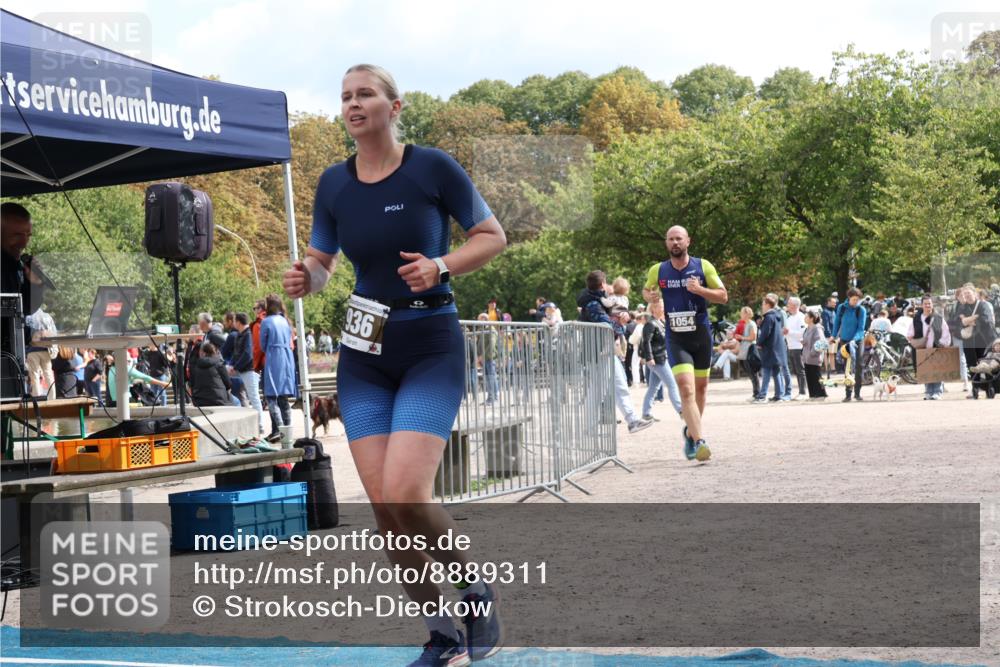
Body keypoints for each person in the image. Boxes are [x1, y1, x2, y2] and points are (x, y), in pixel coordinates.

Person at [281, 63, 507, 665]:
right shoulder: (333, 183)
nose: (354, 105)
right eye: (346, 97)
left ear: (394, 106)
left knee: (408, 492)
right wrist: (309, 277)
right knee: (385, 508)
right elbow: (324, 262)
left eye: (365, 95)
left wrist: (443, 265)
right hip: (365, 354)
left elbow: (492, 235)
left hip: (429, 344)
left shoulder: (431, 167)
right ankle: (442, 638)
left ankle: (475, 592)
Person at [642, 226, 727, 461]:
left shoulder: (703, 266)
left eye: (679, 238)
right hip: (676, 336)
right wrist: (650, 297)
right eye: (671, 239)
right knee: (686, 389)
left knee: (700, 389)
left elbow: (723, 295)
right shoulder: (658, 270)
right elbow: (646, 291)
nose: (675, 243)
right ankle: (700, 441)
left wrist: (700, 290)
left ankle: (690, 433)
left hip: (700, 335)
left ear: (688, 241)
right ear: (666, 244)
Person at [579, 270, 653, 434]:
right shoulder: (593, 303)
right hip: (597, 353)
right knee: (598, 391)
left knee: (618, 386)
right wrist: (621, 321)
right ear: (603, 284)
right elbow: (606, 324)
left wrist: (621, 318)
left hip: (604, 351)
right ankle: (590, 427)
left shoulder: (596, 300)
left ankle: (632, 420)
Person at [259, 294, 296, 440]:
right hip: (287, 358)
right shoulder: (285, 321)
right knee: (283, 398)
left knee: (271, 397)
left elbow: (262, 345)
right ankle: (288, 433)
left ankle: (280, 431)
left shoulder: (266, 321)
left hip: (274, 358)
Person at [639, 300, 683, 420]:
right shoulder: (651, 324)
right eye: (661, 307)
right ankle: (681, 410)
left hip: (660, 358)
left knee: (653, 387)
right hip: (658, 359)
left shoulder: (660, 322)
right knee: (672, 384)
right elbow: (646, 341)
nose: (663, 309)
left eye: (663, 306)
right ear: (653, 309)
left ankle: (646, 413)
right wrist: (649, 358)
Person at [907, 294, 952, 400]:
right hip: (922, 350)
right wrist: (915, 341)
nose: (927, 305)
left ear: (932, 305)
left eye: (929, 303)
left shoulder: (938, 318)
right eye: (925, 304)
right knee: (925, 370)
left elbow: (946, 332)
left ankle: (937, 391)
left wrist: (942, 343)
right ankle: (928, 391)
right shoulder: (916, 319)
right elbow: (910, 334)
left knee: (937, 370)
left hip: (936, 348)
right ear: (921, 305)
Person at [832, 287, 868, 402]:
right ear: (849, 298)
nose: (856, 302)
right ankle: (848, 393)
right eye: (854, 299)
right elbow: (837, 322)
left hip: (857, 341)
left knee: (858, 366)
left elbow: (861, 328)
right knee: (847, 367)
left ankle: (857, 393)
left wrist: (854, 339)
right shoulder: (841, 308)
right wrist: (833, 336)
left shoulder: (861, 310)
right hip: (844, 340)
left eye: (857, 299)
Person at [231, 312, 264, 434]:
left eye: (235, 321)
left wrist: (235, 366)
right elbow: (237, 353)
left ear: (238, 322)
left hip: (249, 370)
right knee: (251, 397)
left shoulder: (247, 334)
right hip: (243, 369)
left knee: (254, 398)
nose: (233, 323)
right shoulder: (241, 334)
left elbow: (247, 354)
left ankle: (259, 425)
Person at [755, 294, 787, 404]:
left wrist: (759, 342)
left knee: (767, 371)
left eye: (763, 304)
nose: (762, 306)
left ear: (768, 305)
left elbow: (765, 332)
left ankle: (762, 396)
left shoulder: (769, 317)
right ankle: (779, 395)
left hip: (770, 348)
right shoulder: (777, 315)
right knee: (776, 372)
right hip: (777, 348)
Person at [189, 341, 234, 407]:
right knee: (237, 402)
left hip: (199, 401)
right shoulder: (219, 363)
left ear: (203, 353)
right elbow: (228, 384)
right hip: (219, 400)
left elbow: (192, 384)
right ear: (215, 352)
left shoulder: (197, 366)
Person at [801, 310, 828, 400]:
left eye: (806, 316)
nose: (805, 318)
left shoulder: (817, 328)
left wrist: (813, 352)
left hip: (814, 357)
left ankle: (821, 394)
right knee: (809, 376)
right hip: (807, 356)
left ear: (812, 318)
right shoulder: (807, 328)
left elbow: (821, 342)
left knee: (816, 376)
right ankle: (812, 395)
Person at [734, 306, 760, 399]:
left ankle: (757, 393)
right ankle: (756, 393)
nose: (740, 314)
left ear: (746, 314)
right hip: (744, 350)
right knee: (749, 372)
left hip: (750, 349)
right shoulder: (745, 324)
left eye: (742, 312)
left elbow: (753, 338)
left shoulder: (751, 324)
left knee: (753, 372)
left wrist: (742, 337)